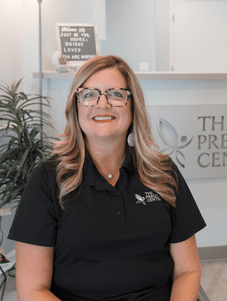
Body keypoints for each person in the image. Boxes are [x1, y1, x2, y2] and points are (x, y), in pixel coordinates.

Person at [8, 55, 206, 301]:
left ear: (133, 107)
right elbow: (32, 291)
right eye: (89, 94)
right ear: (76, 106)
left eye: (116, 94)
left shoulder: (162, 172)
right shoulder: (48, 180)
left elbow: (187, 270)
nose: (102, 104)